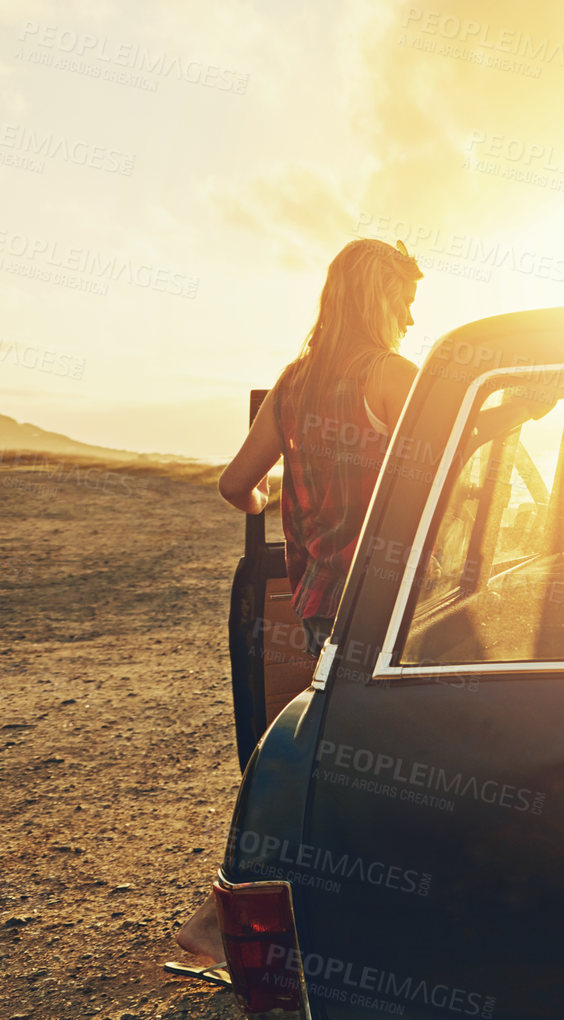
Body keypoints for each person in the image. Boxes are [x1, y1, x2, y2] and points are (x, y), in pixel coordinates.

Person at [173, 238, 424, 965]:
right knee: (352, 752)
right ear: (381, 296)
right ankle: (227, 910)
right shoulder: (391, 376)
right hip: (393, 604)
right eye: (405, 297)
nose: (411, 316)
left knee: (341, 749)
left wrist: (275, 506)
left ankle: (338, 907)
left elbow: (233, 485)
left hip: (321, 600)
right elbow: (442, 474)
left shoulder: (294, 382)